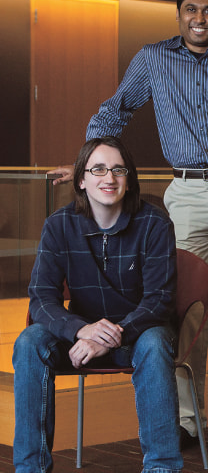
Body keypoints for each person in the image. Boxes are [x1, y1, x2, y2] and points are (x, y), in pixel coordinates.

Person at [52, 0, 208, 456]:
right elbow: (115, 111)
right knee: (183, 307)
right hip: (185, 192)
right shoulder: (153, 59)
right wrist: (87, 165)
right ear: (179, 14)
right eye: (191, 10)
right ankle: (186, 417)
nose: (199, 19)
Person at [15, 137, 181, 473]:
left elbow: (159, 300)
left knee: (155, 342)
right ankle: (30, 469)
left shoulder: (155, 224)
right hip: (80, 338)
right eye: (99, 170)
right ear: (81, 179)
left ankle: (162, 468)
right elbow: (42, 297)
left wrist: (112, 335)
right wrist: (82, 330)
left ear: (129, 179)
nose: (110, 178)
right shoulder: (59, 225)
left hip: (137, 335)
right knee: (29, 341)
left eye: (119, 170)